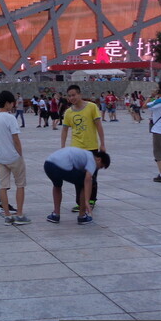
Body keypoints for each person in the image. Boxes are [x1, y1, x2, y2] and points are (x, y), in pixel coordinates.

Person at [60, 84, 106, 212]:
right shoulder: (68, 112)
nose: (72, 98)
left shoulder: (91, 107)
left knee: (91, 176)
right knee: (78, 177)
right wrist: (63, 147)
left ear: (80, 94)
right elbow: (64, 130)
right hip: (76, 149)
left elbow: (99, 126)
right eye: (69, 96)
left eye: (74, 95)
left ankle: (91, 200)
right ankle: (80, 202)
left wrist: (102, 144)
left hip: (91, 147)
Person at [0, 90, 30, 225]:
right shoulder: (10, 118)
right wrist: (20, 154)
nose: (13, 105)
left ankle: (7, 215)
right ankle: (19, 214)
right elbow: (16, 139)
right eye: (12, 103)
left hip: (0, 157)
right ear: (7, 103)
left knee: (3, 186)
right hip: (13, 156)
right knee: (20, 184)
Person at [44, 146, 111, 225]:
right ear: (99, 159)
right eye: (100, 167)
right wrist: (87, 201)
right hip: (61, 166)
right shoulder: (92, 159)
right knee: (85, 183)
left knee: (57, 185)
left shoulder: (85, 155)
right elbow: (88, 178)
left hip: (48, 165)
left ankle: (55, 215)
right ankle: (82, 216)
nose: (98, 169)